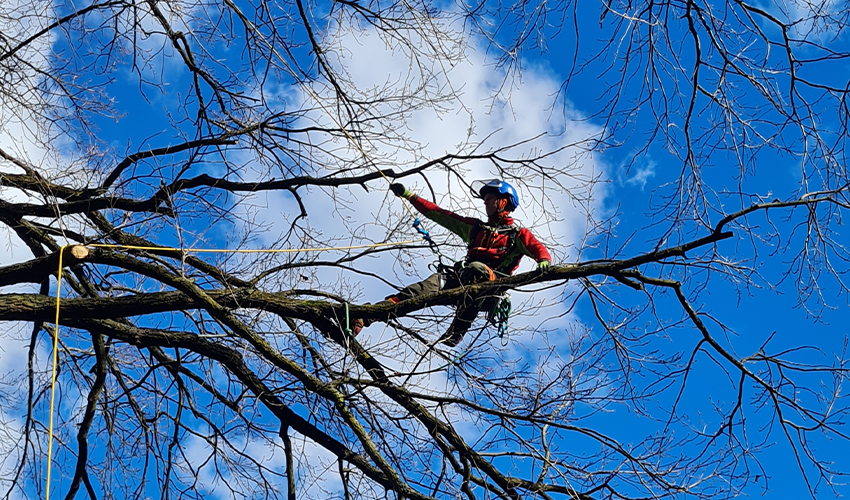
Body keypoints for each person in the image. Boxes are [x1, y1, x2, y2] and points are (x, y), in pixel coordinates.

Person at [353, 179, 552, 346]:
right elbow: (441, 215)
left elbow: (536, 247)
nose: (486, 203)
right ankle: (366, 316)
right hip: (461, 278)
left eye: (490, 199)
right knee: (422, 289)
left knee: (477, 269)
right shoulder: (476, 228)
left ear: (504, 202)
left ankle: (458, 330)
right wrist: (410, 196)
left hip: (489, 286)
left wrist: (543, 261)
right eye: (485, 200)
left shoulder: (517, 234)